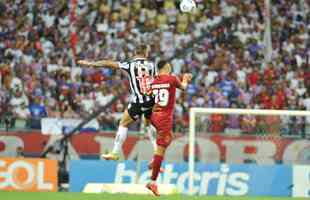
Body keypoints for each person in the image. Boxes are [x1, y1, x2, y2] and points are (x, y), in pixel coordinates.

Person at [77, 44, 157, 160]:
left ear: (135, 53)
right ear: (145, 53)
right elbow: (155, 82)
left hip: (138, 101)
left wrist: (91, 64)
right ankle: (157, 153)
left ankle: (115, 153)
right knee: (148, 124)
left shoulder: (130, 65)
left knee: (123, 123)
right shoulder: (151, 65)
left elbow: (109, 63)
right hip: (151, 100)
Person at [146, 60, 192, 196]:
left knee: (168, 139)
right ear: (166, 67)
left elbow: (148, 98)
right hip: (164, 118)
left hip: (153, 115)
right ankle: (152, 182)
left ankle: (154, 162)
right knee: (161, 148)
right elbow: (183, 87)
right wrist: (185, 79)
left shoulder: (152, 81)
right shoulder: (172, 78)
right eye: (170, 66)